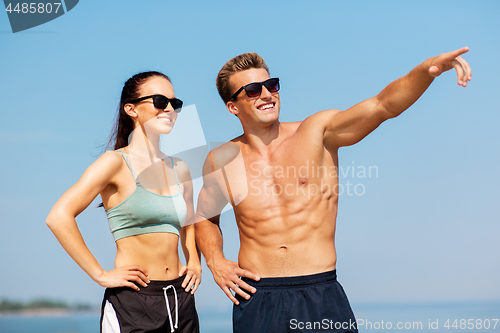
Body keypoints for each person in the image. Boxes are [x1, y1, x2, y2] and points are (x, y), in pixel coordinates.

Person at [194, 49, 471, 333]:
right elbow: (205, 217)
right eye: (252, 90)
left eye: (272, 84)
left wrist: (426, 71)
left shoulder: (318, 132)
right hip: (256, 298)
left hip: (319, 293)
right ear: (233, 106)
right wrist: (216, 261)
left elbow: (381, 105)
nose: (266, 94)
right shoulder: (221, 160)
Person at [46, 71, 201, 333]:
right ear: (131, 109)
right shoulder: (114, 163)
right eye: (160, 101)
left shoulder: (180, 168)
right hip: (133, 303)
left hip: (181, 299)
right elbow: (58, 216)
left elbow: (188, 221)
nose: (170, 110)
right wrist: (100, 275)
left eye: (175, 104)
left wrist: (194, 259)